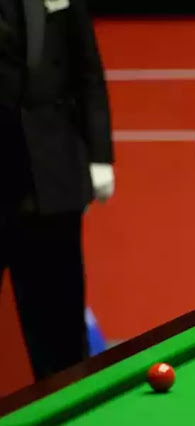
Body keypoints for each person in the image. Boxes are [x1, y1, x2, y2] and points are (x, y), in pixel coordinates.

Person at [0, 0, 114, 381]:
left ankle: (69, 399)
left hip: (51, 176)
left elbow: (87, 71)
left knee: (60, 319)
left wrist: (99, 156)